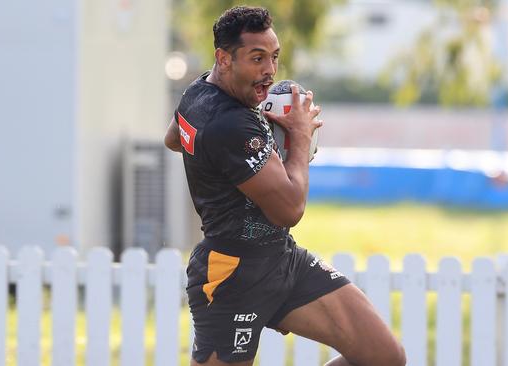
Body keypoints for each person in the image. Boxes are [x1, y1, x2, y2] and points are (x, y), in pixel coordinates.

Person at [164, 6, 405, 366]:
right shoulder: (230, 126)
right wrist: (299, 137)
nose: (269, 71)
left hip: (281, 259)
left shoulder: (198, 92)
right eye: (257, 58)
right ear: (224, 58)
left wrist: (248, 151)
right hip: (232, 273)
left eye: (274, 57)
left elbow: (173, 138)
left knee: (383, 356)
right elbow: (289, 209)